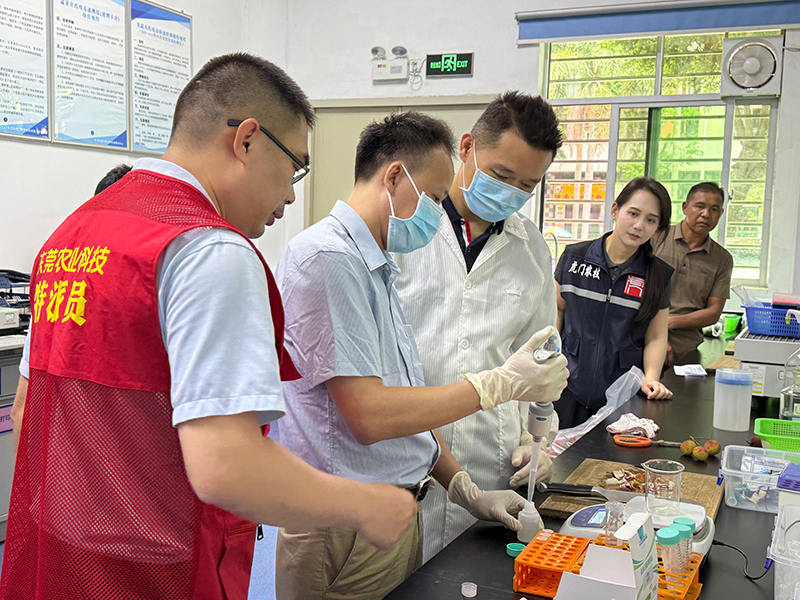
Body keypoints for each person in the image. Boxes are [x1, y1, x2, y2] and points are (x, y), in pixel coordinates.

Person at [1, 53, 417, 600]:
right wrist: (365, 504)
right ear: (247, 140)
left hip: (61, 561)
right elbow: (226, 465)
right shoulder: (210, 250)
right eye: (294, 168)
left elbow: (30, 412)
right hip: (160, 573)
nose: (291, 194)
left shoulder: (72, 234)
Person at [274, 112, 569, 600]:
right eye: (433, 198)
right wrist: (496, 385)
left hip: (404, 501)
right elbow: (371, 416)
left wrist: (465, 488)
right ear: (394, 176)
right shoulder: (330, 259)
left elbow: (407, 395)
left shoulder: (375, 264)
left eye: (527, 185)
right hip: (346, 517)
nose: (436, 215)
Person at [393, 92, 563, 562]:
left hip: (492, 465)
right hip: (406, 457)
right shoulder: (403, 229)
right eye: (501, 176)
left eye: (527, 185)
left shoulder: (531, 248)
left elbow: (540, 357)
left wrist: (537, 440)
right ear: (466, 147)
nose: (510, 193)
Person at [554, 177, 675, 429]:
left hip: (623, 396)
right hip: (567, 385)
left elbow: (655, 336)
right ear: (615, 210)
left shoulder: (657, 275)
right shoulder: (575, 259)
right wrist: (547, 360)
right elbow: (556, 312)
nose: (639, 225)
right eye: (633, 213)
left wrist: (651, 378)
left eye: (651, 220)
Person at [654, 182, 733, 363]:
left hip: (686, 351)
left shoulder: (722, 259)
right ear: (685, 207)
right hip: (640, 340)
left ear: (720, 214)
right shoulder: (657, 237)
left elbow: (713, 312)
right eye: (700, 206)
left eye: (714, 209)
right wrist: (656, 333)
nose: (706, 214)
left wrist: (669, 322)